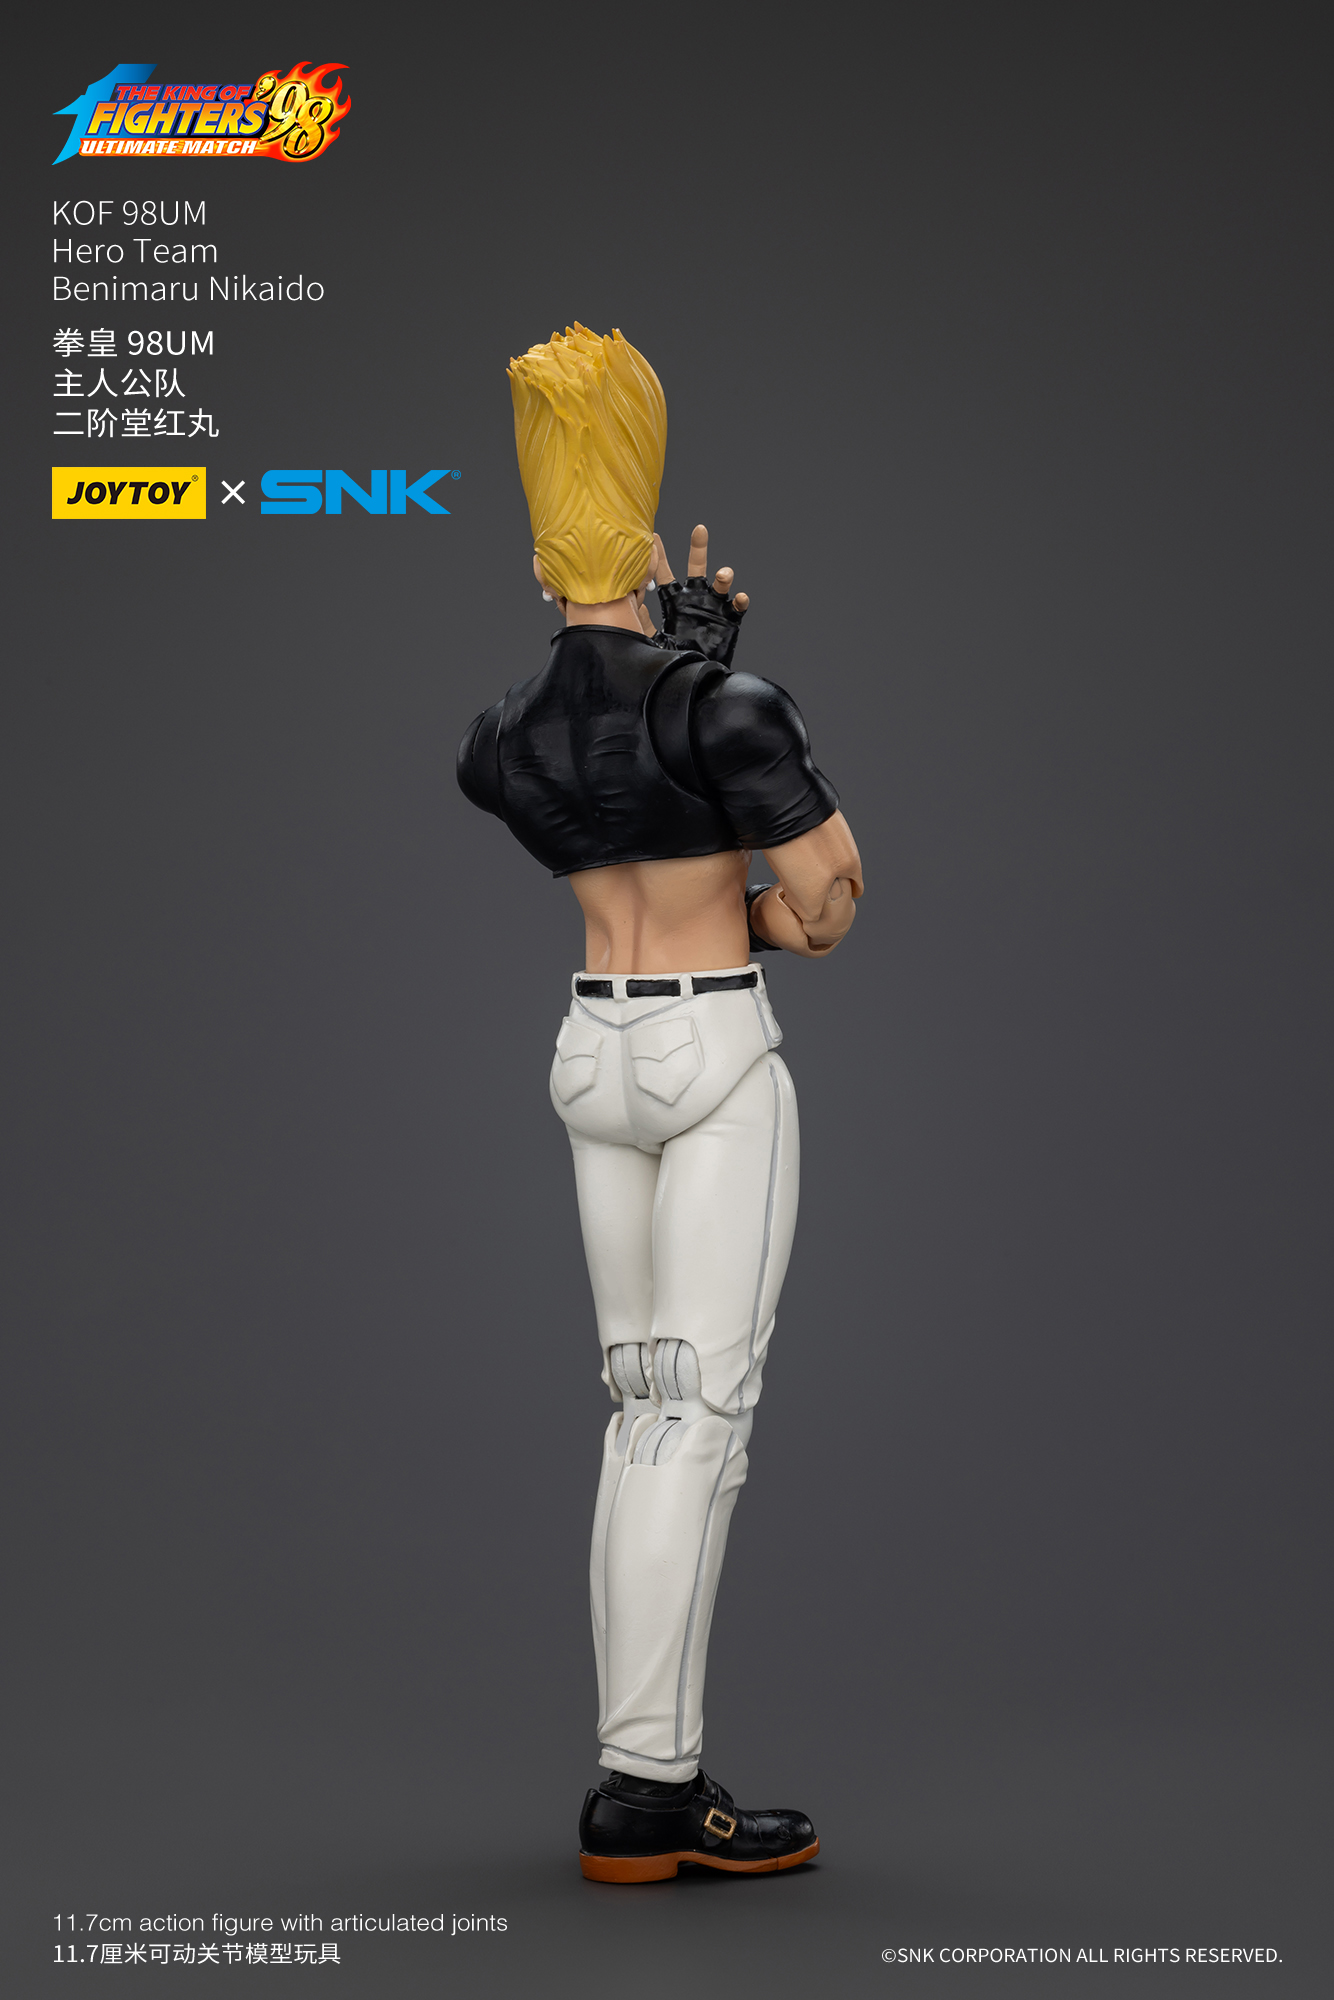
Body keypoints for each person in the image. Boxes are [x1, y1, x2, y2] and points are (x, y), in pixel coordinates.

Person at [458, 323, 863, 1882]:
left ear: (534, 562)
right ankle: (645, 1785)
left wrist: (668, 681)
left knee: (643, 1406)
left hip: (591, 1057)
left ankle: (647, 1771)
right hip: (707, 1053)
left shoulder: (497, 738)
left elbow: (594, 795)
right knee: (693, 1417)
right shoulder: (727, 704)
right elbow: (827, 905)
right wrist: (705, 683)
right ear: (647, 547)